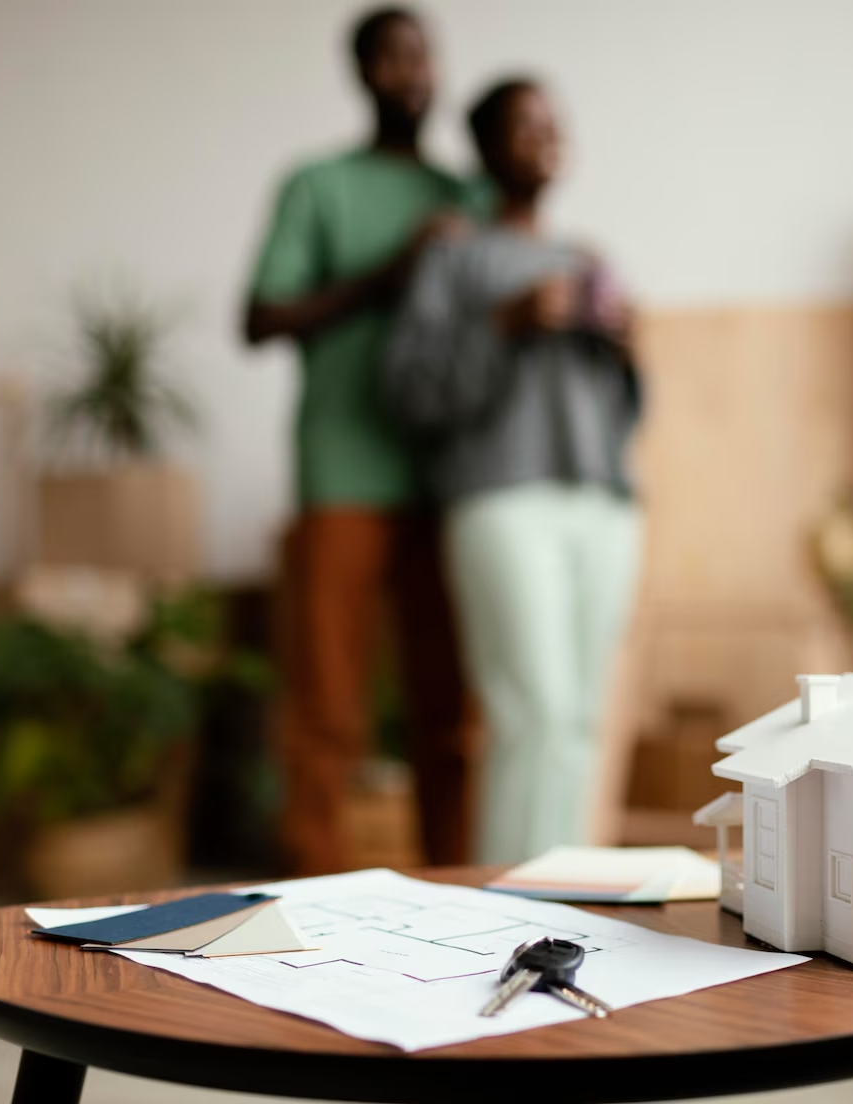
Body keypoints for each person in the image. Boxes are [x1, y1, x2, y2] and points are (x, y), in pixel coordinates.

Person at [242, 7, 479, 873]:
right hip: (341, 473)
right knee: (327, 708)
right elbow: (261, 316)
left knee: (450, 710)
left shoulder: (465, 195)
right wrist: (394, 270)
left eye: (425, 57)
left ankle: (458, 890)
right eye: (393, 58)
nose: (413, 73)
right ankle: (316, 899)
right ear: (363, 72)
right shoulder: (317, 185)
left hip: (451, 481)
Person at [383, 78, 643, 864]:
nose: (545, 137)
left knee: (580, 719)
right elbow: (408, 388)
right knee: (530, 710)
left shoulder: (589, 261)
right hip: (499, 498)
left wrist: (625, 345)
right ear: (489, 147)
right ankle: (510, 910)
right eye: (525, 125)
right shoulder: (455, 258)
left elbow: (625, 409)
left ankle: (566, 907)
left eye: (553, 124)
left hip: (602, 499)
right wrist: (503, 324)